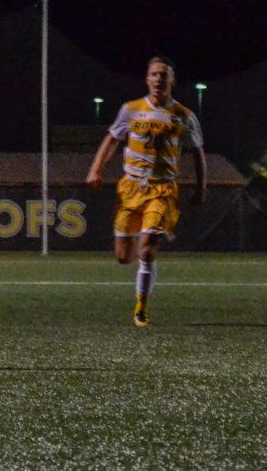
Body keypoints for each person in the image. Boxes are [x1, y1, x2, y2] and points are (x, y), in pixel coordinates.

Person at [86, 56, 206, 328]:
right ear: (147, 78)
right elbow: (112, 138)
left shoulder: (185, 116)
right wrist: (96, 169)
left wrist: (201, 187)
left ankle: (141, 307)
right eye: (154, 74)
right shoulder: (131, 109)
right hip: (132, 188)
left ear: (172, 81)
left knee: (148, 248)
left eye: (164, 75)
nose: (158, 79)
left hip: (162, 188)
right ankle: (155, 231)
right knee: (123, 257)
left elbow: (198, 152)